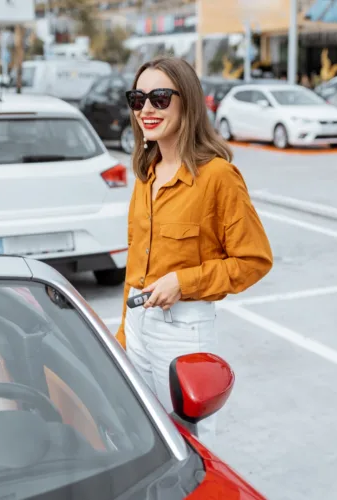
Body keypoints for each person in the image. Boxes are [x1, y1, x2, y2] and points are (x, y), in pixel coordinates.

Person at [116, 57, 273, 447]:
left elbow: (254, 260)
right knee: (145, 437)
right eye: (138, 99)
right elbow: (136, 262)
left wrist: (183, 282)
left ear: (187, 102)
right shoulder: (146, 173)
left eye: (160, 98)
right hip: (137, 326)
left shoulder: (217, 176)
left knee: (190, 445)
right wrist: (122, 334)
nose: (147, 110)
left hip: (182, 332)